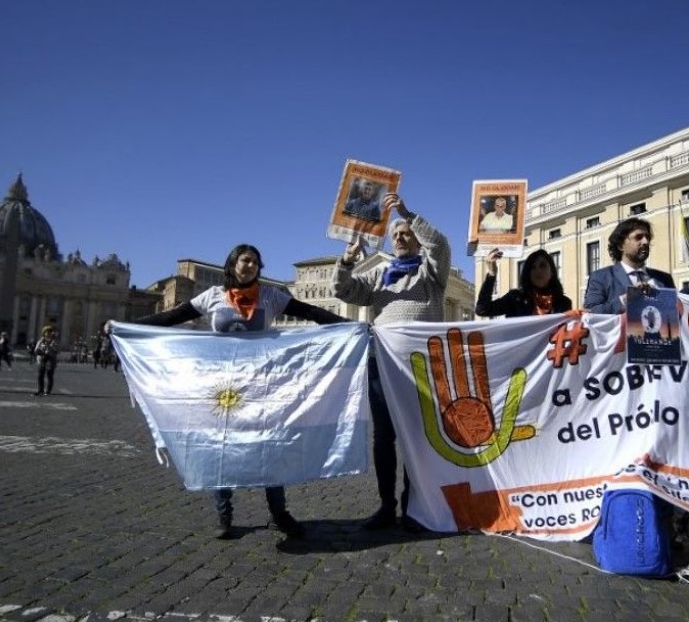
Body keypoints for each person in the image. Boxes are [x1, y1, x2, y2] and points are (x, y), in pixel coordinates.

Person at [127, 243, 348, 540]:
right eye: (246, 260)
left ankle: (279, 513)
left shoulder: (270, 297)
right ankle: (224, 513)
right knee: (222, 448)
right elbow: (171, 318)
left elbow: (308, 311)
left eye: (257, 262)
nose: (252, 266)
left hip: (261, 386)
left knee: (270, 446)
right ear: (232, 264)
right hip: (223, 389)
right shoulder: (212, 297)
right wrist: (127, 326)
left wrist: (348, 326)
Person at [332, 192, 450, 531]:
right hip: (382, 367)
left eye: (405, 234)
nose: (399, 238)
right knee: (383, 437)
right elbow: (345, 292)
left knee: (419, 436)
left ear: (415, 239)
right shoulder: (379, 273)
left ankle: (415, 505)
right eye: (395, 234)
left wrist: (406, 213)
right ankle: (386, 505)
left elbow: (439, 245)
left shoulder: (431, 274)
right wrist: (346, 262)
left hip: (421, 368)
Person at [584, 217, 676, 314]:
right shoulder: (600, 278)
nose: (646, 242)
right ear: (620, 245)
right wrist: (624, 300)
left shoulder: (664, 279)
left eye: (647, 237)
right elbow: (590, 313)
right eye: (638, 237)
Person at [475, 248, 572, 317]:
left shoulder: (564, 303)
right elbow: (482, 310)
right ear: (527, 273)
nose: (538, 271)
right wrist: (492, 274)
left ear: (552, 272)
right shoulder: (516, 298)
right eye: (533, 267)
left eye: (543, 266)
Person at [33, 325, 59, 396]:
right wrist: (40, 350)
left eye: (50, 332)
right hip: (42, 359)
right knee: (40, 375)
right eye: (46, 332)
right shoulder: (41, 341)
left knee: (49, 375)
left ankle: (48, 390)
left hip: (51, 360)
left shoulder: (54, 341)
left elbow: (57, 350)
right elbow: (36, 350)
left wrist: (50, 347)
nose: (48, 333)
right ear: (44, 333)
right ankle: (40, 389)